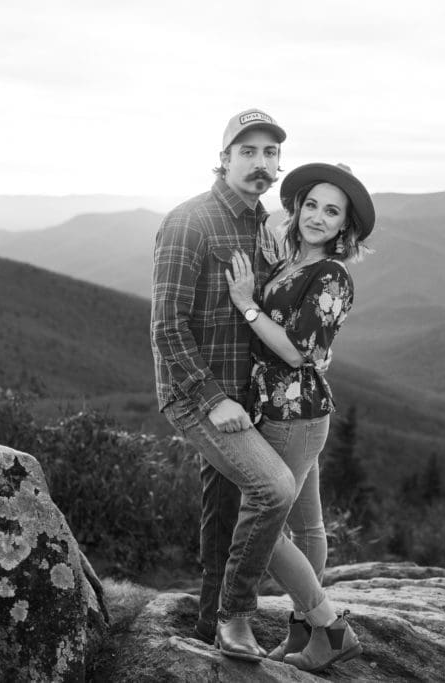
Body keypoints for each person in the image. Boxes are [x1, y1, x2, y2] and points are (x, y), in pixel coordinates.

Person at [150, 108, 294, 661]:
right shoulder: (189, 222)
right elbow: (166, 327)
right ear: (225, 158)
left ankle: (208, 626)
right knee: (274, 488)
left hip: (246, 396)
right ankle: (236, 615)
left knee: (226, 507)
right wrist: (213, 401)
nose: (261, 164)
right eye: (249, 152)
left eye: (271, 153)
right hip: (198, 396)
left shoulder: (265, 225)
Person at [224, 162, 375, 672]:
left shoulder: (332, 275)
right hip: (287, 409)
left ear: (343, 227)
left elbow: (294, 351)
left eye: (331, 211)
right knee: (307, 526)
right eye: (311, 204)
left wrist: (246, 304)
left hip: (294, 414)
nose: (317, 216)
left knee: (265, 526)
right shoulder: (293, 263)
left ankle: (329, 628)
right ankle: (304, 630)